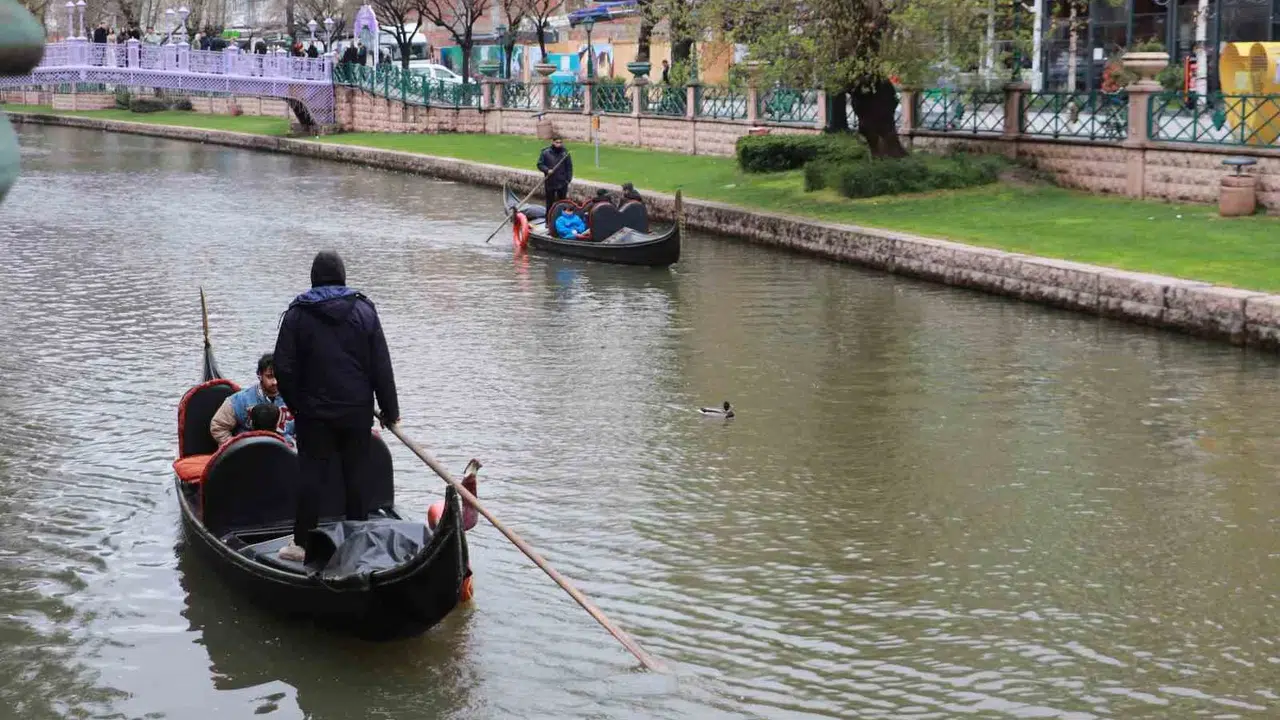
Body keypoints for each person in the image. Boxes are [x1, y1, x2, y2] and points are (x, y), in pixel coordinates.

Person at [273, 251, 399, 562]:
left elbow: (283, 368)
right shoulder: (365, 312)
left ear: (313, 278)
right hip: (356, 411)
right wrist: (390, 410)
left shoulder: (297, 314)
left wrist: (298, 405)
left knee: (311, 478)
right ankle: (356, 541)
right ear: (342, 277)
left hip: (313, 414)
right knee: (356, 476)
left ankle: (301, 545)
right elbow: (381, 365)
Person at [210, 353, 295, 446]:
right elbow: (218, 426)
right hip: (249, 452)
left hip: (287, 452)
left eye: (278, 376)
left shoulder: (296, 400)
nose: (275, 382)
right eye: (269, 376)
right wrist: (234, 447)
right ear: (259, 375)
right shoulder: (240, 400)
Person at [537, 137, 573, 217]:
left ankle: (561, 219)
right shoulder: (545, 152)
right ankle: (548, 220)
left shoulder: (565, 153)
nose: (559, 144)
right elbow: (540, 164)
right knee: (549, 203)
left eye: (560, 142)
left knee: (562, 203)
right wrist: (547, 170)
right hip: (550, 182)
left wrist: (568, 180)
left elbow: (569, 167)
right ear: (553, 142)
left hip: (562, 182)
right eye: (557, 142)